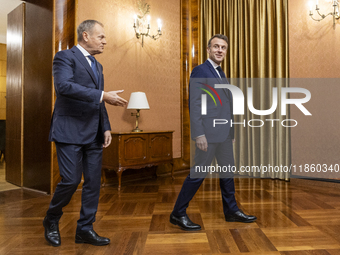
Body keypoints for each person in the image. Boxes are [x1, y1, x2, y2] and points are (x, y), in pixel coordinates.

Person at [43, 20, 128, 246]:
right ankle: (51, 219)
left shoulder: (97, 66)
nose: (105, 41)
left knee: (92, 183)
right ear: (85, 36)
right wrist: (103, 95)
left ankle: (85, 229)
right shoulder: (64, 57)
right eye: (101, 37)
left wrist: (106, 126)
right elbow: (64, 87)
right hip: (69, 130)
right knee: (71, 181)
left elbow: (99, 99)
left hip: (94, 132)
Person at [170, 34, 256, 231]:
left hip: (224, 135)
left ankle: (231, 211)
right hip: (207, 135)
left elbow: (226, 106)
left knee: (227, 173)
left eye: (223, 47)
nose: (220, 50)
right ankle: (178, 213)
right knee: (197, 174)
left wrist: (231, 133)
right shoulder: (200, 71)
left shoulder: (220, 72)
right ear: (208, 50)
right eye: (216, 46)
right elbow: (195, 104)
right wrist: (199, 134)